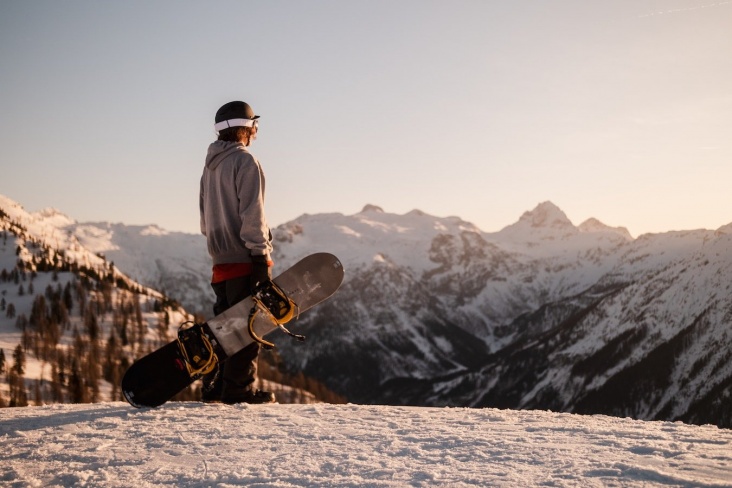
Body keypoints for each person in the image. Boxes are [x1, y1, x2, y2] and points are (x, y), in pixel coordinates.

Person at [199, 100, 276, 404]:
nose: (256, 130)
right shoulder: (245, 162)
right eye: (254, 124)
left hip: (220, 262)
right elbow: (252, 213)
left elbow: (205, 221)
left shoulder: (210, 167)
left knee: (225, 328)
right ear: (244, 128)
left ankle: (216, 387)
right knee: (250, 326)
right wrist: (260, 256)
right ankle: (238, 389)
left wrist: (221, 250)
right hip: (245, 258)